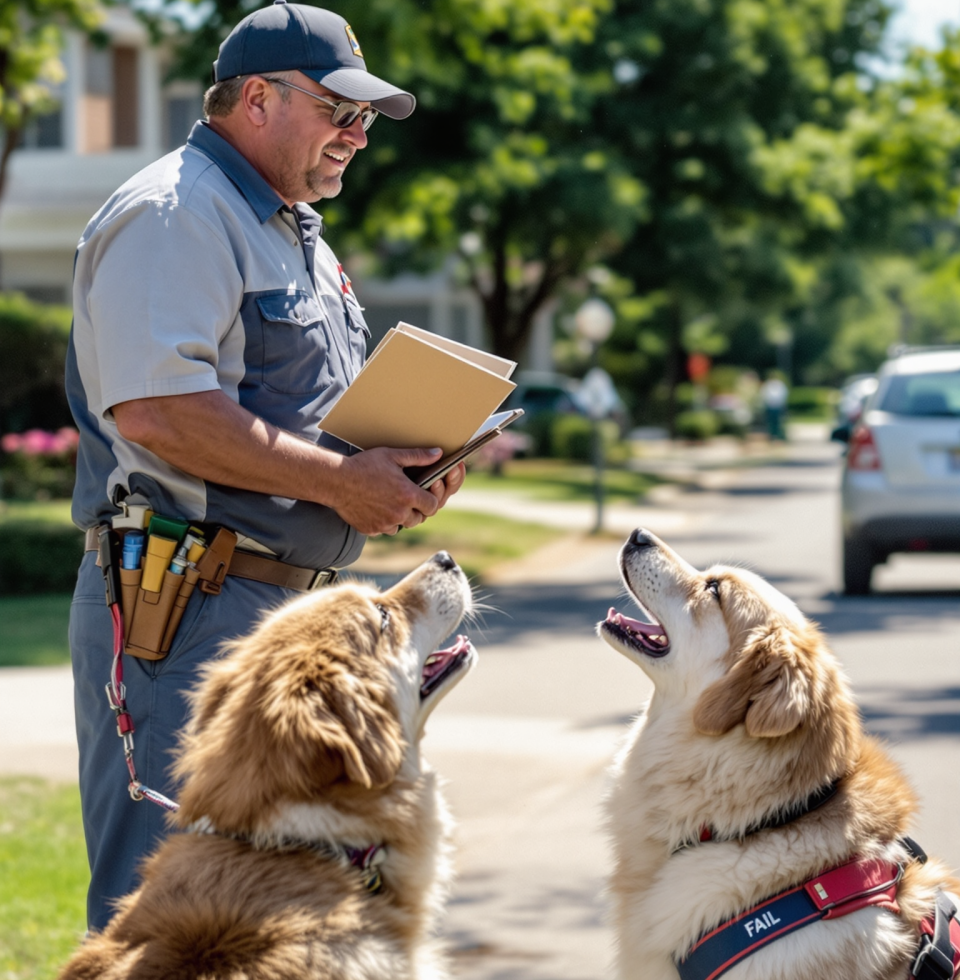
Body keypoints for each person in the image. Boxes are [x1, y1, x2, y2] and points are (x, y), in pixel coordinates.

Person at [66, 0, 465, 931]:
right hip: (190, 604)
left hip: (280, 603)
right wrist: (340, 482)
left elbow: (315, 418)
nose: (358, 137)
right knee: (172, 911)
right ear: (257, 98)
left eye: (366, 120)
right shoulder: (176, 215)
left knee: (285, 908)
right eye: (341, 111)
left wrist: (406, 468)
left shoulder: (291, 229)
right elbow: (159, 411)